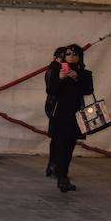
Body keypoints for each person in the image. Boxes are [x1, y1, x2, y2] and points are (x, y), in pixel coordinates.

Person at [45, 43, 94, 192]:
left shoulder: (85, 74)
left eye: (75, 54)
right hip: (60, 114)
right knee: (60, 144)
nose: (72, 57)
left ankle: (62, 173)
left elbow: (88, 90)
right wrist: (59, 78)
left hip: (77, 115)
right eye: (68, 54)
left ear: (80, 56)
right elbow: (50, 91)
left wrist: (77, 77)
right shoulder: (56, 71)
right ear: (64, 57)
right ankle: (62, 177)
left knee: (70, 146)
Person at [43, 46, 67, 177]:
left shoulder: (55, 68)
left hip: (55, 106)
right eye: (64, 57)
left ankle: (53, 165)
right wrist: (62, 78)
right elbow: (51, 90)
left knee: (58, 137)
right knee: (59, 137)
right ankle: (54, 165)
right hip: (56, 107)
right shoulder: (56, 69)